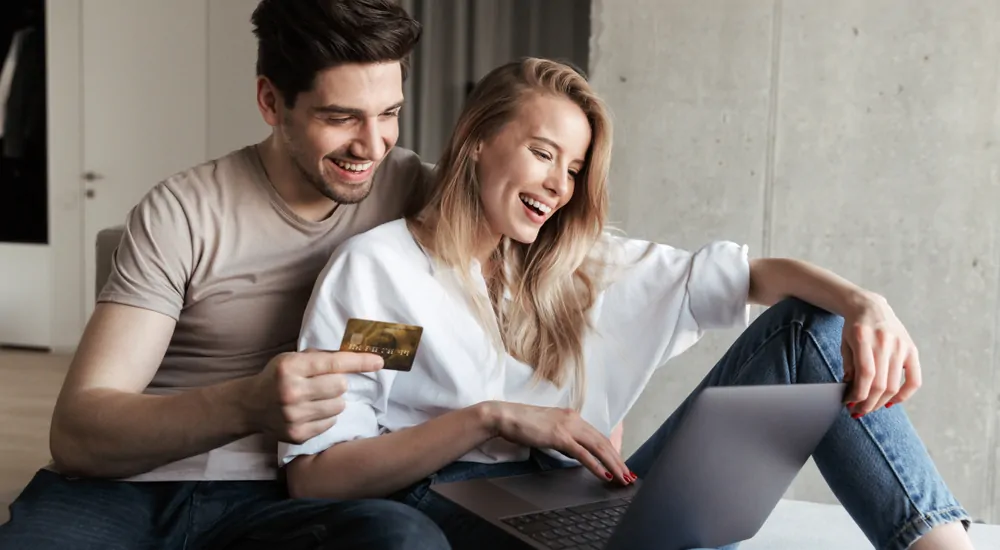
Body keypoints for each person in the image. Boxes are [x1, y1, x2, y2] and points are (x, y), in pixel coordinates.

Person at [279, 57, 976, 550]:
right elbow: (318, 473)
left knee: (812, 328)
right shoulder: (388, 277)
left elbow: (756, 279)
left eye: (575, 169)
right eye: (544, 153)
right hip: (445, 502)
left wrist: (868, 303)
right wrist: (488, 419)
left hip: (572, 494)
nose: (559, 186)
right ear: (479, 141)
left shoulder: (574, 265)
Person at [0, 1, 451, 549]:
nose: (372, 144)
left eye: (389, 113)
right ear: (270, 101)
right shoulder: (184, 211)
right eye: (339, 117)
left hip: (286, 496)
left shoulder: (414, 191)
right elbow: (77, 432)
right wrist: (248, 404)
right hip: (133, 486)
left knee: (404, 539)